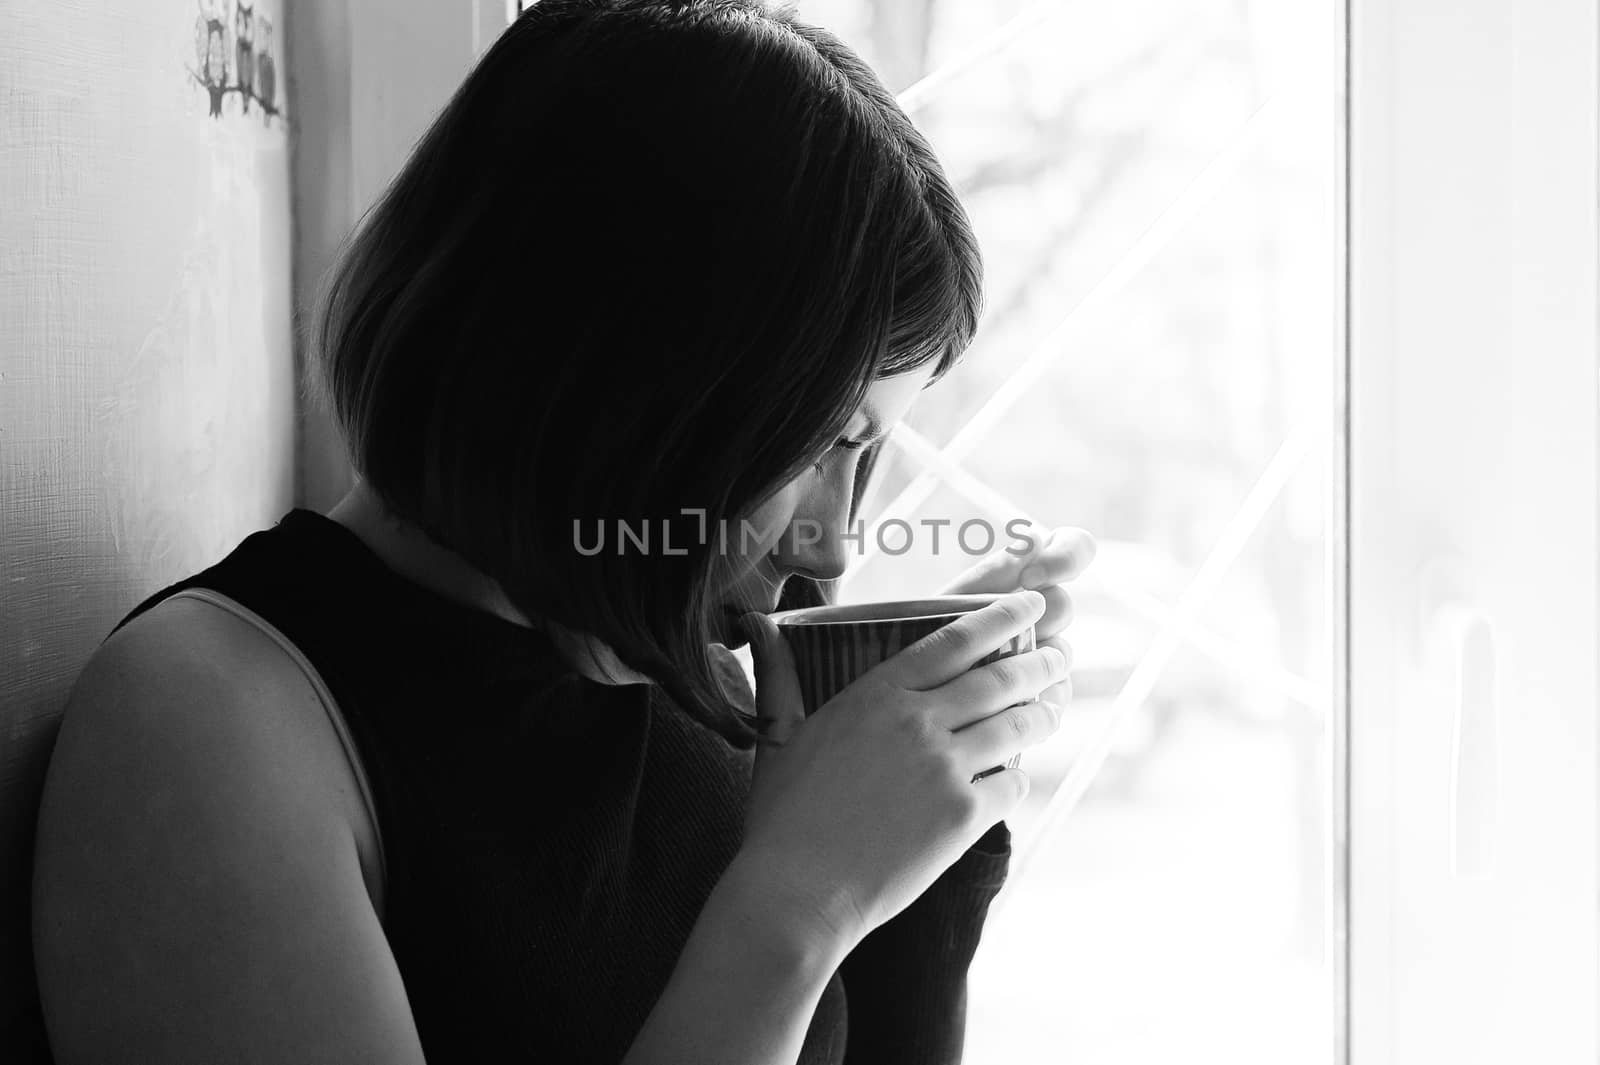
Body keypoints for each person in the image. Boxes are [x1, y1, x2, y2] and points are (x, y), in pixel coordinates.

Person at [30, 1, 1093, 1062]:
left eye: (869, 457)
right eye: (821, 442)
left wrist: (924, 859)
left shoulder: (719, 700)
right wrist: (795, 909)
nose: (835, 546)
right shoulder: (211, 718)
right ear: (628, 384)